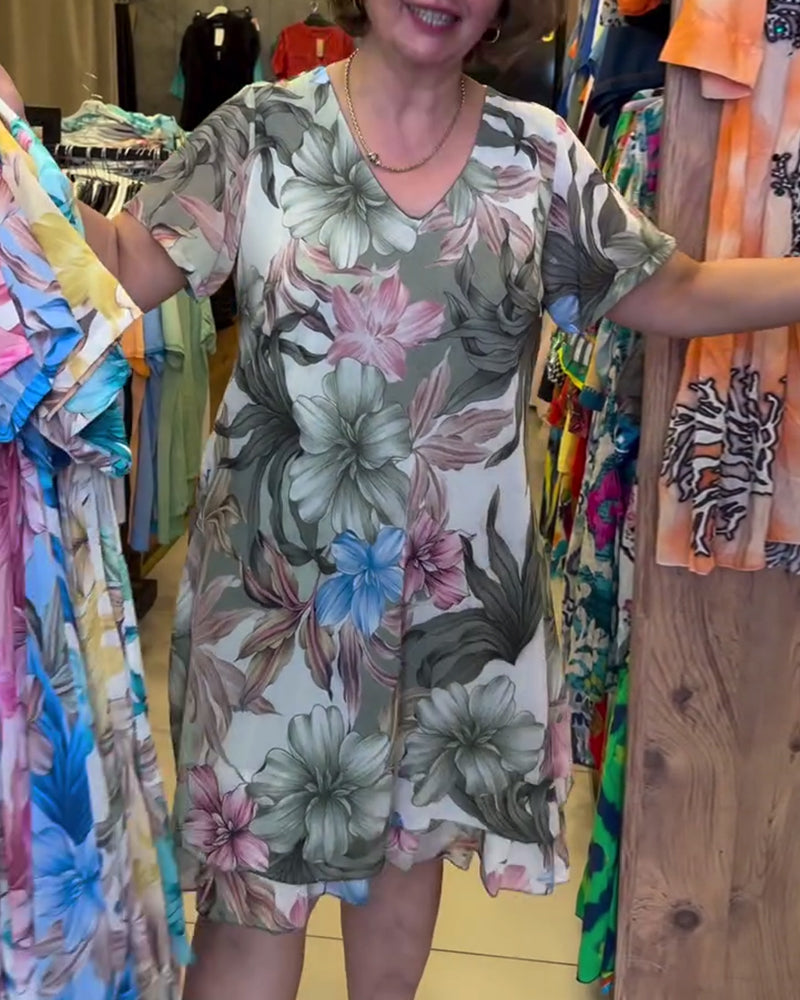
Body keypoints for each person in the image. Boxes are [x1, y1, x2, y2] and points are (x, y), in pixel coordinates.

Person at [3, 1, 800, 998]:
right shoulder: (262, 130)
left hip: (455, 611)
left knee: (404, 872)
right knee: (253, 909)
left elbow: (673, 289)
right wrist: (14, 158)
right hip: (275, 614)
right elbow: (123, 263)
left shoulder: (537, 154)